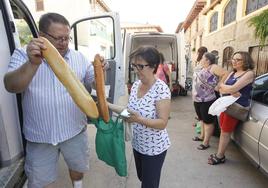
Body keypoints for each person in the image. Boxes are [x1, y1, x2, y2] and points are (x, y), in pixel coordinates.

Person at [4, 13, 105, 188]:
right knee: (40, 181)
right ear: (42, 36)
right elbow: (11, 86)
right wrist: (32, 64)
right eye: (58, 38)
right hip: (40, 136)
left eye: (67, 38)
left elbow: (94, 84)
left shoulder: (79, 58)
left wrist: (100, 71)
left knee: (78, 168)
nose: (64, 43)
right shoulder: (23, 54)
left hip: (74, 131)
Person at [108, 46, 171, 188]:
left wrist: (138, 119)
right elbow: (129, 113)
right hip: (138, 144)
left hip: (154, 148)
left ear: (153, 66)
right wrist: (107, 105)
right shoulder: (136, 85)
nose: (136, 70)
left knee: (149, 185)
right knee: (142, 177)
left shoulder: (161, 89)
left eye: (140, 66)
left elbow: (162, 123)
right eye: (134, 65)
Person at [208, 51, 255, 165]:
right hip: (226, 105)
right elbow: (218, 87)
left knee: (225, 132)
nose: (234, 61)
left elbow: (231, 89)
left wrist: (228, 89)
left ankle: (220, 156)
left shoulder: (248, 74)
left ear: (246, 61)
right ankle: (220, 153)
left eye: (238, 59)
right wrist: (228, 89)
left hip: (236, 107)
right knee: (223, 130)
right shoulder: (232, 73)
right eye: (233, 59)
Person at [192, 52, 227, 150]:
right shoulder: (202, 68)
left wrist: (219, 84)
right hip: (198, 98)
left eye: (203, 57)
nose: (201, 59)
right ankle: (201, 136)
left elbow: (225, 73)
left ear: (207, 60)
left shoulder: (213, 67)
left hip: (208, 99)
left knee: (208, 121)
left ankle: (206, 142)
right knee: (202, 119)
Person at [192, 46, 208, 142]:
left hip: (202, 92)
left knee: (204, 117)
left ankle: (203, 136)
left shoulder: (206, 63)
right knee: (201, 116)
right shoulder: (199, 61)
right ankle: (201, 134)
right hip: (197, 91)